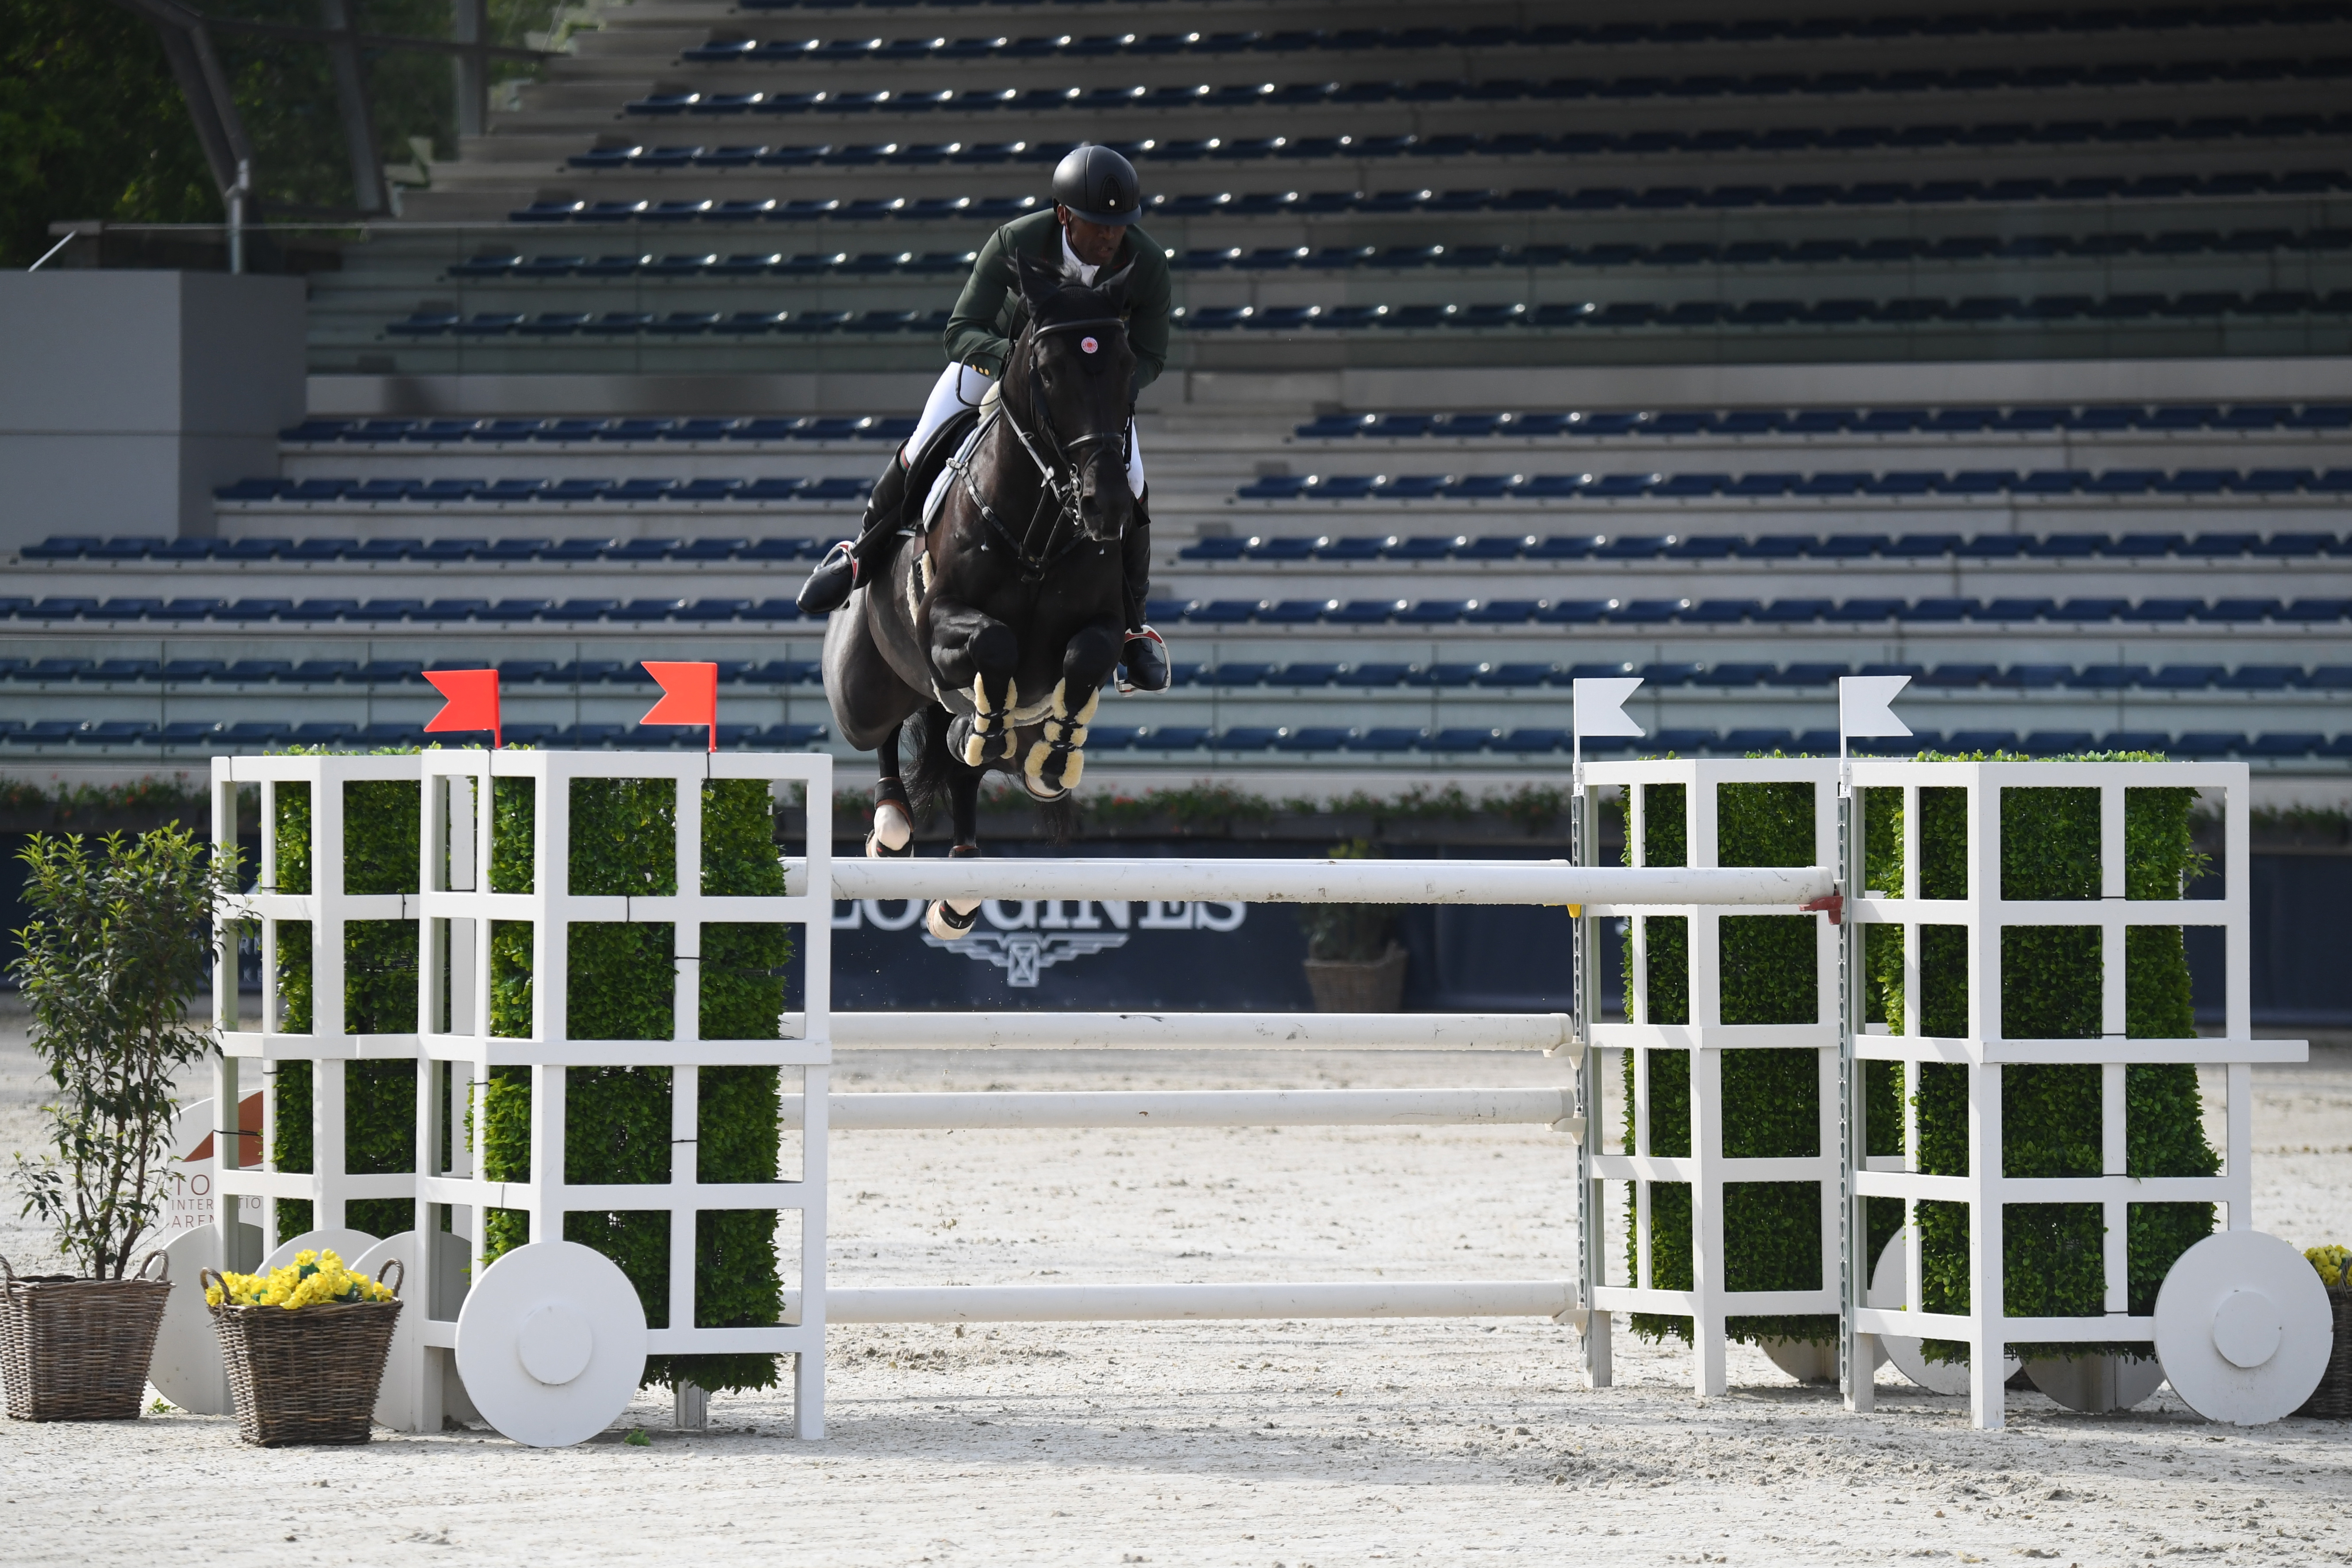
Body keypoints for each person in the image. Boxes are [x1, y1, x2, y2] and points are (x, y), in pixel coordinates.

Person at [794, 143, 1173, 691]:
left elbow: (1153, 355)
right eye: (1098, 224)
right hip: (998, 364)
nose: (1111, 237)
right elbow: (960, 330)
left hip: (1088, 395)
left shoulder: (1147, 265)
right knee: (924, 439)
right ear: (1065, 215)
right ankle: (861, 553)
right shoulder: (1016, 242)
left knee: (1133, 484)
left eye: (1119, 225)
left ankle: (1134, 628)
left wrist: (1098, 393)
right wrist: (1013, 367)